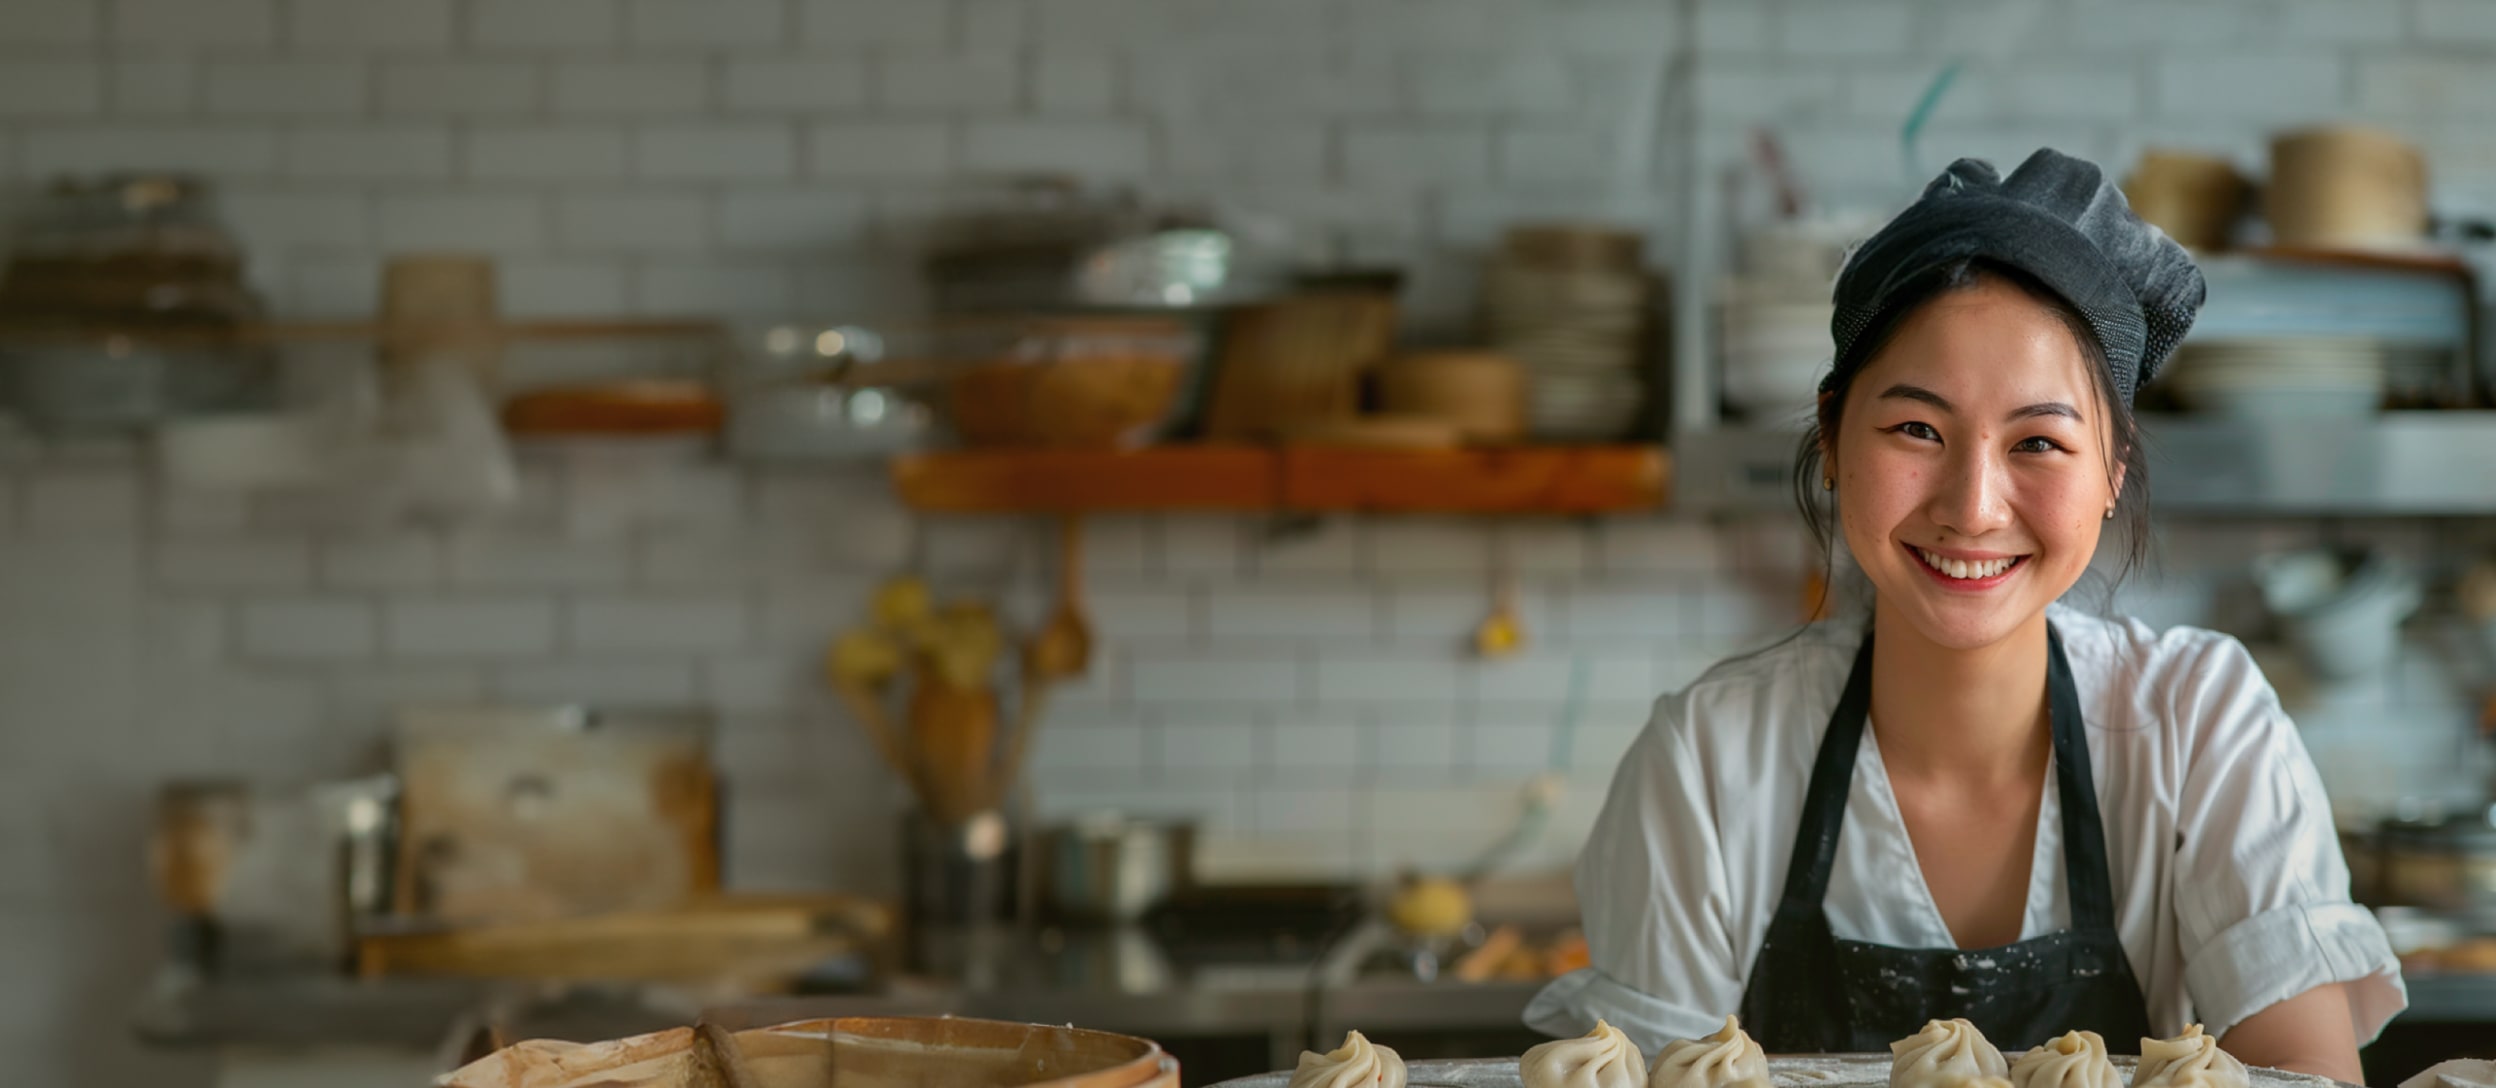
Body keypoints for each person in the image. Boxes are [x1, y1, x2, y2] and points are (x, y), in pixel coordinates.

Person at [1524, 149, 2401, 1083]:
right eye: (1917, 430)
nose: (1973, 506)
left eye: (2039, 442)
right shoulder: (1708, 760)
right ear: (1830, 437)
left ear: (2113, 471)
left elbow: (2305, 1077)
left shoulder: (2201, 725)